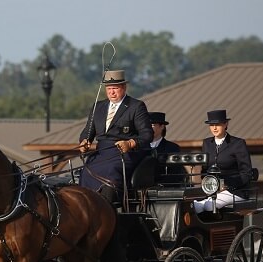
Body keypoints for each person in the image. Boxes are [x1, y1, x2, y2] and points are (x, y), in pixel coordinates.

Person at [78, 69, 153, 204]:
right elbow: (88, 131)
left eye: (115, 88)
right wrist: (84, 141)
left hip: (123, 153)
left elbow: (147, 134)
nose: (111, 92)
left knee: (111, 170)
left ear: (124, 87)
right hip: (101, 153)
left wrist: (130, 143)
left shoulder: (135, 106)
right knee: (85, 171)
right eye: (109, 88)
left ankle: (108, 207)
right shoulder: (98, 106)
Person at [192, 109, 253, 213]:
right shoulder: (207, 143)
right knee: (192, 206)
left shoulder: (238, 143)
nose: (214, 128)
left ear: (226, 124)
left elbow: (246, 173)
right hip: (211, 190)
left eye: (218, 124)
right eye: (211, 125)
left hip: (235, 191)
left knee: (209, 206)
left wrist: (227, 185)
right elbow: (205, 171)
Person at [148, 111, 184, 185]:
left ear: (162, 126)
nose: (148, 128)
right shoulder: (139, 147)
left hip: (165, 189)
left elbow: (177, 173)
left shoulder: (173, 148)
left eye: (152, 125)